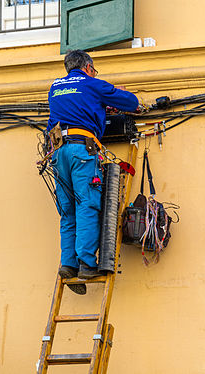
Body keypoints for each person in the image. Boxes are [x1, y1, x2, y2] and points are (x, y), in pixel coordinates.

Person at [47, 49, 139, 295]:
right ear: (88, 66)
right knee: (87, 204)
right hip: (81, 151)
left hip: (58, 153)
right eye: (94, 69)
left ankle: (68, 263)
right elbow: (129, 102)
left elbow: (51, 124)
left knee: (68, 211)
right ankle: (87, 263)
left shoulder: (55, 88)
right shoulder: (91, 83)